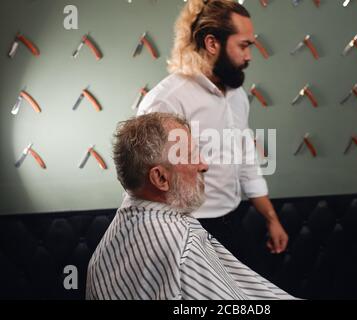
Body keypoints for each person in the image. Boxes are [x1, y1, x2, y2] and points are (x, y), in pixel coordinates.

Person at [137, 0, 288, 267]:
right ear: (212, 43)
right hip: (184, 233)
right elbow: (144, 187)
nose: (249, 56)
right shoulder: (166, 102)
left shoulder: (237, 96)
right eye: (243, 45)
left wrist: (272, 220)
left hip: (232, 223)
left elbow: (246, 162)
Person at [85, 113, 295, 300]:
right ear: (160, 177)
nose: (204, 164)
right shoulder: (183, 246)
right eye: (191, 155)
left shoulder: (116, 232)